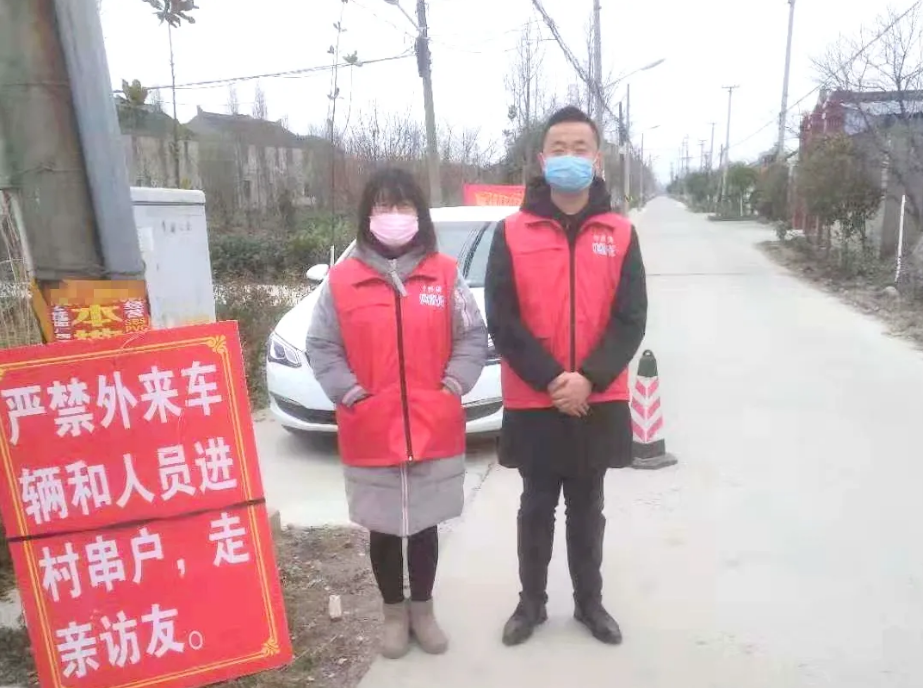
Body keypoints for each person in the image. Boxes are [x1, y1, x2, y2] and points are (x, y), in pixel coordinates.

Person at [306, 167, 488, 659]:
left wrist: (453, 385)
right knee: (384, 529)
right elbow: (321, 345)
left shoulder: (444, 274)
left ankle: (423, 611)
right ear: (367, 216)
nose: (393, 215)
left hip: (432, 425)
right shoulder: (342, 281)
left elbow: (472, 335)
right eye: (383, 206)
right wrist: (351, 394)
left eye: (403, 205)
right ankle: (393, 613)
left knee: (425, 526)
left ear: (419, 214)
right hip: (371, 427)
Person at [484, 106, 648, 647]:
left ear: (597, 160)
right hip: (535, 399)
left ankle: (589, 604)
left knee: (587, 509)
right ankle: (530, 605)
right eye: (559, 148)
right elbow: (503, 319)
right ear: (542, 159)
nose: (569, 157)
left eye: (581, 148)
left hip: (596, 400)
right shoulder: (512, 232)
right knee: (535, 507)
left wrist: (590, 379)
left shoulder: (620, 233)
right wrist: (554, 379)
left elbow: (630, 318)